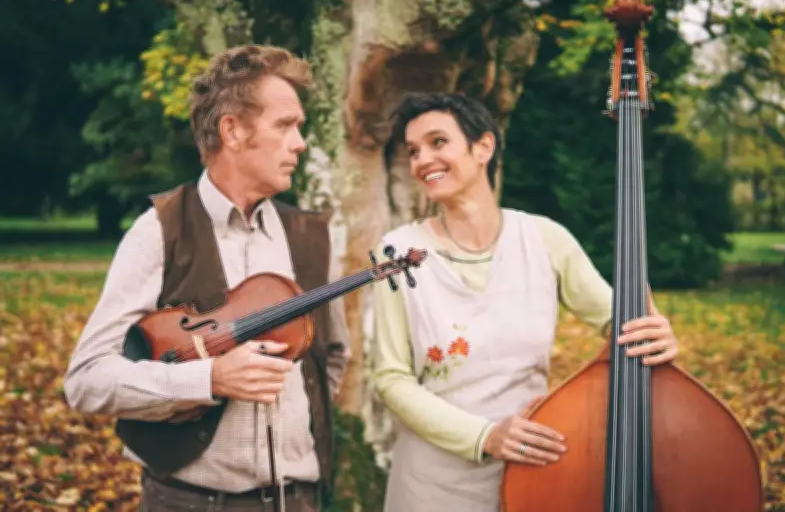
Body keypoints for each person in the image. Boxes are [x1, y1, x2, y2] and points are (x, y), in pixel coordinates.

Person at [63, 44, 350, 512]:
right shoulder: (159, 231)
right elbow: (86, 381)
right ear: (232, 131)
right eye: (285, 125)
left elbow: (332, 357)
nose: (300, 142)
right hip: (190, 502)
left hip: (299, 501)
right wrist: (208, 378)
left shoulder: (314, 236)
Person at [371, 92, 679, 512]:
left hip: (536, 475)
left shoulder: (544, 238)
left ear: (483, 147)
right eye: (413, 151)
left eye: (438, 142)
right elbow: (391, 377)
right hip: (432, 486)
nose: (423, 159)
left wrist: (655, 332)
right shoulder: (396, 253)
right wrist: (484, 435)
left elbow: (624, 322)